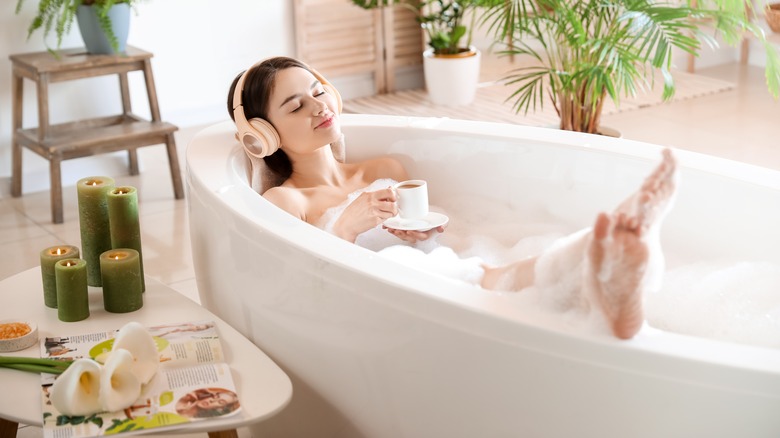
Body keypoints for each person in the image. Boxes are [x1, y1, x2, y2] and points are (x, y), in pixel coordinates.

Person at [226, 56, 678, 340]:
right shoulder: (289, 203)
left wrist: (427, 231)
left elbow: (445, 245)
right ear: (264, 136)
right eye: (295, 106)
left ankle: (607, 271)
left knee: (490, 273)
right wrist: (344, 226)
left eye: (319, 92)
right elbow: (300, 293)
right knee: (489, 279)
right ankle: (604, 259)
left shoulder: (386, 171)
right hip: (391, 309)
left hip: (446, 274)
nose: (319, 107)